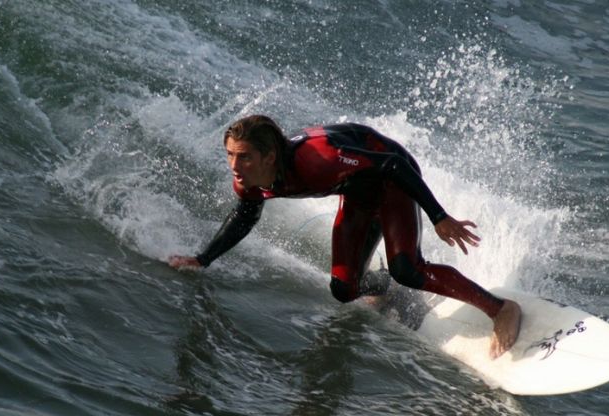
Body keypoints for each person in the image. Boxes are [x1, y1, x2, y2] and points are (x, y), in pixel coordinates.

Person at [169, 115, 521, 358]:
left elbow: (391, 166)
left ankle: (500, 308)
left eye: (243, 157)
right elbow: (246, 215)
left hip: (391, 176)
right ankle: (385, 288)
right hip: (358, 193)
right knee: (343, 290)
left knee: (408, 270)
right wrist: (203, 259)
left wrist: (439, 217)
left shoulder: (317, 161)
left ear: (268, 156)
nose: (234, 165)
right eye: (230, 154)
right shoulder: (249, 179)